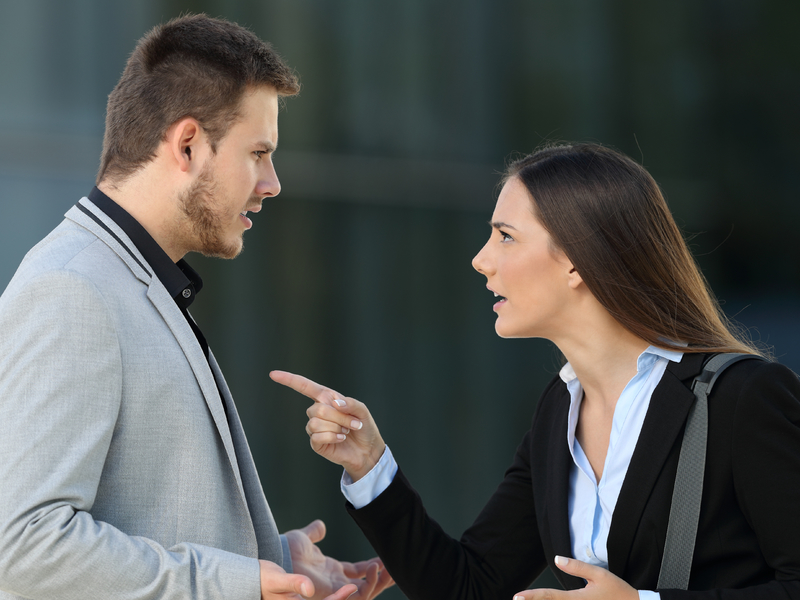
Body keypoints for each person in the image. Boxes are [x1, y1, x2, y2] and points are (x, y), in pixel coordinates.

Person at [271, 143, 800, 600]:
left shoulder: (741, 398)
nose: (481, 260)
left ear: (576, 260)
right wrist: (369, 465)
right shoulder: (559, 411)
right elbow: (469, 588)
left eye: (505, 236)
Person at [0, 14, 392, 600]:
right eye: (258, 153)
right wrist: (234, 582)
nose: (272, 183)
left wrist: (271, 560)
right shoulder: (73, 291)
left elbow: (136, 511)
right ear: (187, 145)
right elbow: (25, 550)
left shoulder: (132, 280)